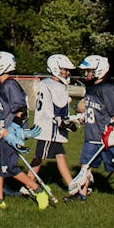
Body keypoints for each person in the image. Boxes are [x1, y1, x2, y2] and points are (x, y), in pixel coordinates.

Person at [0, 51, 51, 210]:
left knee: (10, 167)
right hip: (0, 131)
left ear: (3, 66)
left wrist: (13, 130)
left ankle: (38, 191)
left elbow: (21, 109)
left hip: (10, 133)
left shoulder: (10, 85)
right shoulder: (0, 84)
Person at [70, 54, 114, 204]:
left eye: (89, 71)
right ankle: (82, 195)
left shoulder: (107, 88)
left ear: (99, 70)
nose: (86, 74)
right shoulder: (91, 88)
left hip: (106, 136)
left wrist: (111, 128)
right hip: (91, 134)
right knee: (86, 166)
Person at [31, 53, 79, 194]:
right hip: (50, 128)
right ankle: (28, 183)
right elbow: (59, 110)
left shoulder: (45, 83)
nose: (67, 72)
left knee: (60, 155)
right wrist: (70, 122)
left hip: (47, 125)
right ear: (56, 68)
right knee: (40, 157)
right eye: (64, 69)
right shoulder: (56, 86)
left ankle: (71, 185)